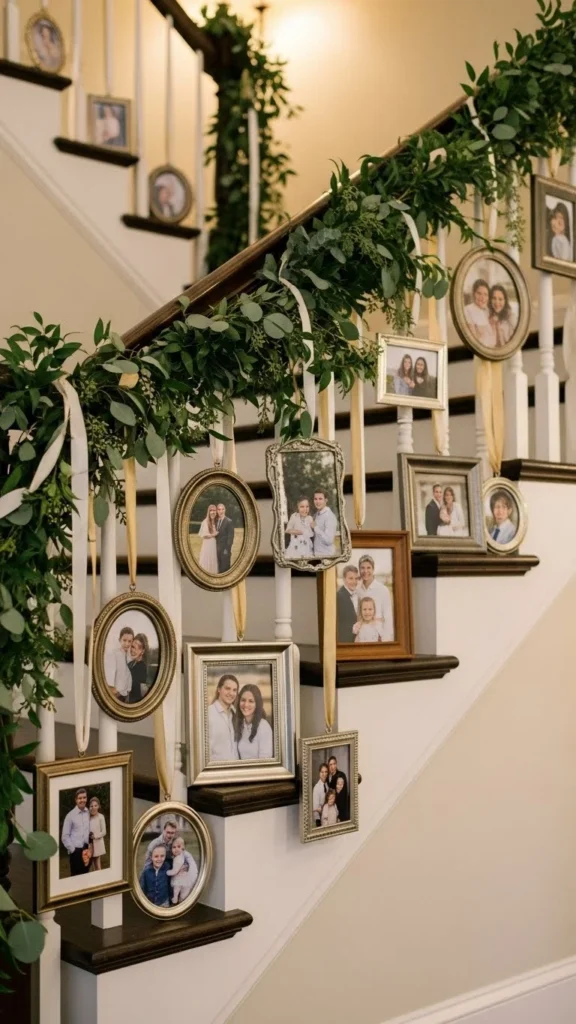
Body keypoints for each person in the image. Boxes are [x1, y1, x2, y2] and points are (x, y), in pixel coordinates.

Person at [357, 554, 393, 640]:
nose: (365, 571)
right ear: (359, 569)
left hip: (378, 635)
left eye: (368, 568)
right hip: (362, 635)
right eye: (362, 568)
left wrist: (386, 639)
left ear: (373, 569)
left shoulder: (383, 590)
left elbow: (388, 617)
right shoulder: (357, 590)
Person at [234, 684, 273, 760]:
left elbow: (265, 762)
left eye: (251, 701)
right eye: (243, 700)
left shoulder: (263, 726)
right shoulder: (241, 725)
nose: (246, 704)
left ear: (257, 704)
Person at [208, 674, 239, 761]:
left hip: (236, 770)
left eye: (234, 690)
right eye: (227, 688)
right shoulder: (209, 714)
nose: (231, 693)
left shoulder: (236, 714)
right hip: (217, 771)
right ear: (219, 689)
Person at [61, 788, 91, 876]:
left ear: (87, 798)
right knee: (75, 878)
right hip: (75, 852)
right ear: (76, 800)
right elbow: (65, 837)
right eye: (80, 798)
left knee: (86, 876)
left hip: (87, 850)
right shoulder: (70, 816)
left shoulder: (89, 813)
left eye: (84, 797)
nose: (82, 800)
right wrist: (73, 851)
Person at [463, 278, 496, 349]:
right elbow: (472, 339)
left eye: (485, 294)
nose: (482, 297)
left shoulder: (489, 311)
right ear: (473, 293)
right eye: (479, 293)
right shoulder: (468, 310)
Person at [105, 626, 134, 702]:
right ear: (119, 640)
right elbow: (110, 672)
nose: (127, 643)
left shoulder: (129, 656)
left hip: (125, 693)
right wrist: (113, 689)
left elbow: (128, 674)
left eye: (129, 641)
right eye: (124, 640)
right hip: (116, 693)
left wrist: (128, 689)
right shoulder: (115, 653)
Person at [166, 836, 198, 905]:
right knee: (181, 891)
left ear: (182, 848)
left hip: (179, 878)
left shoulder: (179, 859)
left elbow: (175, 871)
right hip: (183, 878)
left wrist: (168, 872)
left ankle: (176, 899)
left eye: (178, 846)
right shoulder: (180, 856)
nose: (176, 849)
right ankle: (180, 900)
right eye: (174, 847)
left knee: (177, 889)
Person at [337, 565, 359, 643]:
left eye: (356, 578)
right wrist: (352, 629)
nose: (354, 582)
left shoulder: (358, 594)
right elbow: (337, 624)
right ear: (344, 579)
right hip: (346, 641)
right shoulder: (338, 596)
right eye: (351, 578)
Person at [313, 489, 338, 557]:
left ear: (326, 500)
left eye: (320, 499)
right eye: (315, 499)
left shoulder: (329, 516)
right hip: (317, 556)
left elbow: (328, 540)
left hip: (327, 557)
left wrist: (315, 528)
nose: (317, 502)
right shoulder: (316, 515)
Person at [127, 633, 149, 704]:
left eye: (138, 648)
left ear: (142, 651)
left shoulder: (142, 667)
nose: (133, 650)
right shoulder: (130, 664)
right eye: (133, 647)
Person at [198, 504, 219, 573]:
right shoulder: (206, 521)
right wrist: (214, 534)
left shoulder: (216, 521)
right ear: (208, 512)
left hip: (214, 544)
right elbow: (204, 535)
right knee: (207, 560)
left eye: (214, 510)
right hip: (208, 544)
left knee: (213, 559)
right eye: (211, 510)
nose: (213, 512)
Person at [88, 796, 106, 872]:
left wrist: (95, 836)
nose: (93, 808)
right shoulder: (88, 817)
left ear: (98, 806)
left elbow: (104, 832)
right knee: (90, 864)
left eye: (95, 806)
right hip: (90, 845)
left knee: (97, 865)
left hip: (98, 843)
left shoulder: (101, 817)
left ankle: (100, 879)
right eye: (91, 806)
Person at [215, 503, 234, 573]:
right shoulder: (216, 521)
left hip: (225, 551)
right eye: (219, 509)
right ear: (217, 511)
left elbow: (230, 537)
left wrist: (227, 549)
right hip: (217, 550)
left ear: (225, 510)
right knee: (218, 570)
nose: (221, 511)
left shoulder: (229, 521)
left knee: (225, 570)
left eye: (222, 509)